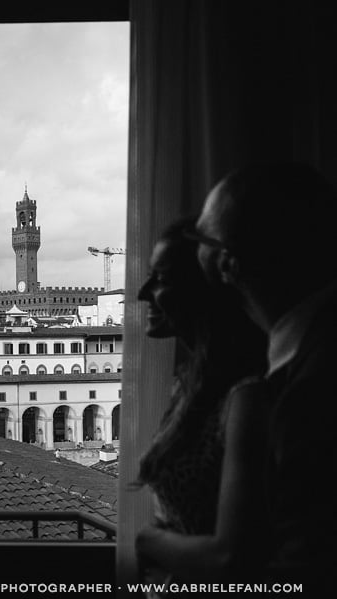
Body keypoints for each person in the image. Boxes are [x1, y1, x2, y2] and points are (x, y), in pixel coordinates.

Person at [191, 162, 337, 579]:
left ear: (227, 264)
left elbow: (305, 568)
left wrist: (150, 545)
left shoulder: (311, 388)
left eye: (199, 239)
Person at [133, 217, 269, 585]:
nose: (143, 293)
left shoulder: (246, 396)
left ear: (204, 287)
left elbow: (232, 558)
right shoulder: (192, 384)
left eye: (162, 278)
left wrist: (147, 540)